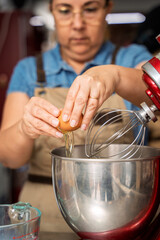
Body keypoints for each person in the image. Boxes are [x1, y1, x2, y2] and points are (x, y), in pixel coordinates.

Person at [0, 0, 153, 232]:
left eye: (90, 9)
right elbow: (10, 158)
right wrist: (24, 129)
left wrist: (116, 77)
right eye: (65, 11)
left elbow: (154, 93)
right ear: (52, 11)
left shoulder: (131, 58)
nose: (78, 24)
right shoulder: (29, 70)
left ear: (107, 9)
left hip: (120, 210)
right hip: (45, 213)